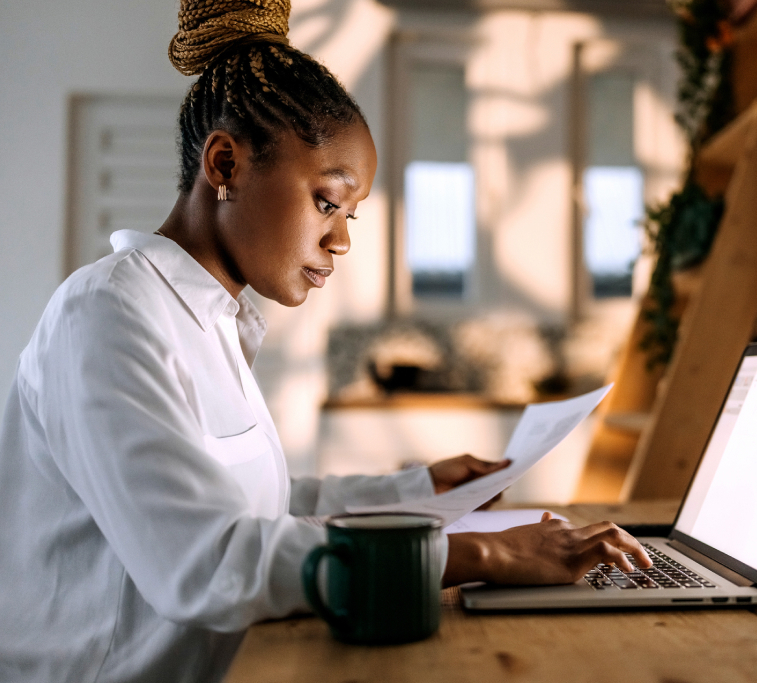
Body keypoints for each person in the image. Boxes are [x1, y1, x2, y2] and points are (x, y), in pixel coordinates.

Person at [0, 1, 650, 681]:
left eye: (350, 213)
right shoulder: (107, 312)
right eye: (325, 201)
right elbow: (204, 560)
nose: (340, 239)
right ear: (225, 165)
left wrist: (422, 491)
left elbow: (264, 506)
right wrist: (480, 556)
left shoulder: (211, 320)